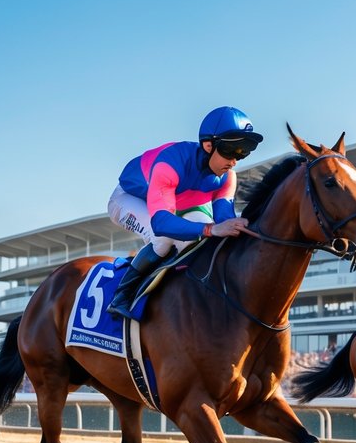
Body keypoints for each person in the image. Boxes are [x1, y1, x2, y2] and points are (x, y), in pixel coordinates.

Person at [105, 106, 261, 319]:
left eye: (242, 153)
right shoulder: (171, 162)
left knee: (200, 239)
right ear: (208, 145)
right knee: (162, 239)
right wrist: (211, 229)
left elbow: (224, 220)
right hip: (129, 199)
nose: (234, 161)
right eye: (230, 152)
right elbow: (161, 223)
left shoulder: (227, 177)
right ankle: (122, 296)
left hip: (174, 202)